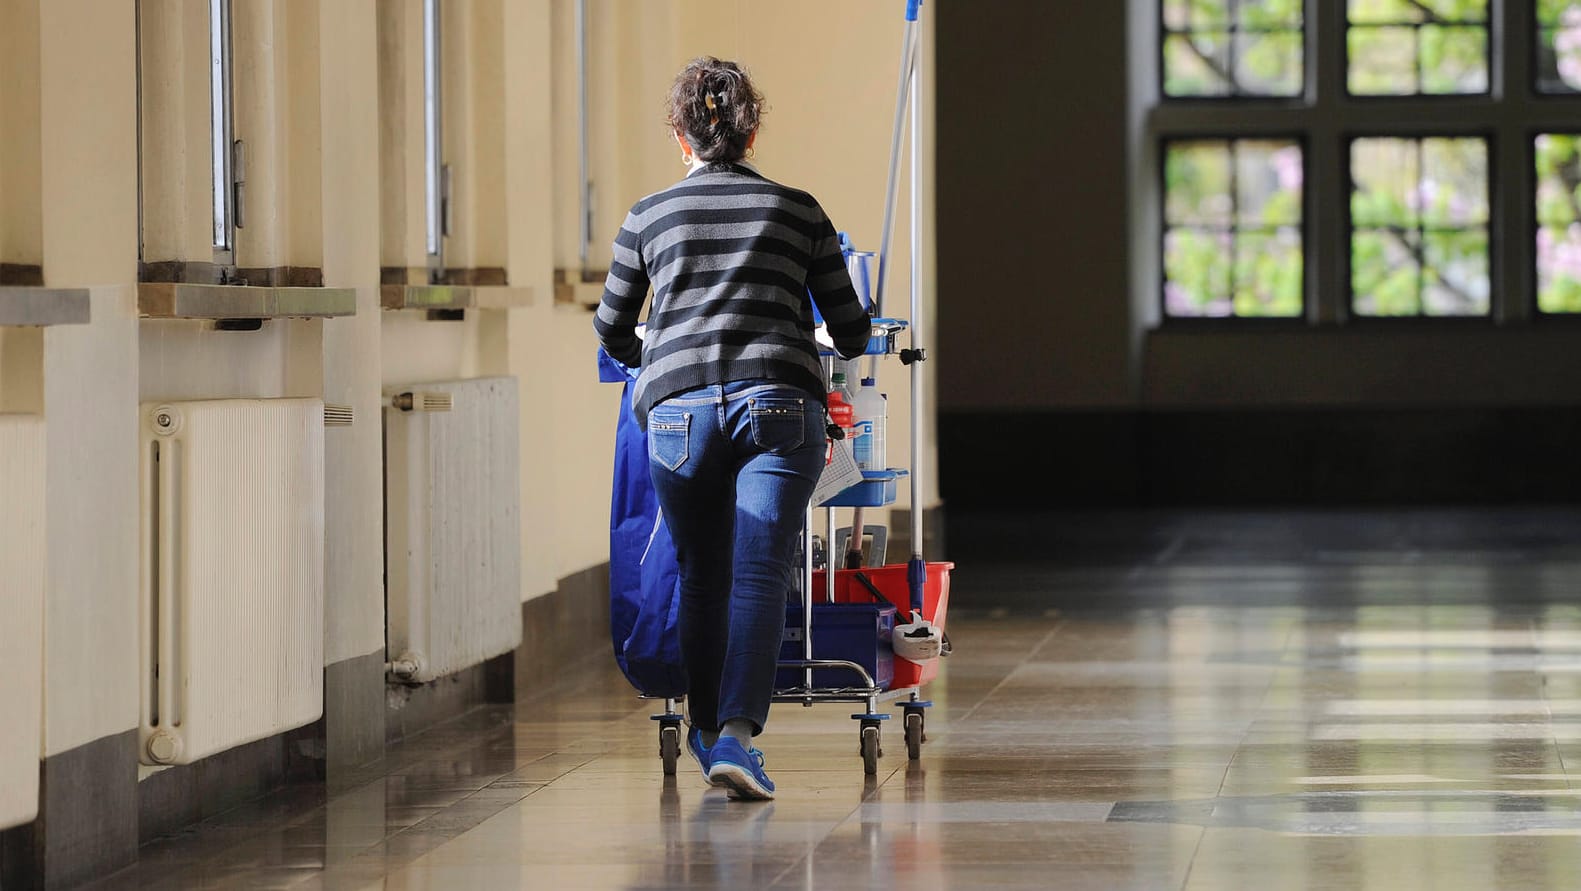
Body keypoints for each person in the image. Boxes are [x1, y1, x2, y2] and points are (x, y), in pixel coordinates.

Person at [594, 57, 872, 800]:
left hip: (679, 416)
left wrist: (655, 365)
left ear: (679, 137)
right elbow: (850, 331)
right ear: (751, 134)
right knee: (758, 571)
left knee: (702, 576)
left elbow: (612, 326)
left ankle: (705, 724)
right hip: (780, 406)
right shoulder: (799, 210)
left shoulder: (646, 216)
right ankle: (736, 741)